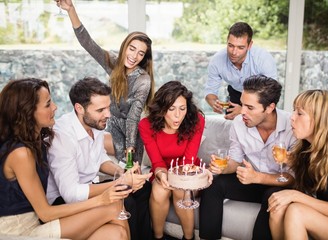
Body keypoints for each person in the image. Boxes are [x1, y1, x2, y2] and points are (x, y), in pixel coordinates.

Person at [0, 78, 129, 239]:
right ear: (27, 112)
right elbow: (45, 213)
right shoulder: (20, 153)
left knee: (116, 233)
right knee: (115, 207)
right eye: (47, 104)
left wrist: (123, 170)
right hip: (20, 230)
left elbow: (96, 152)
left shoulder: (37, 138)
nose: (55, 107)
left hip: (37, 220)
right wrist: (101, 200)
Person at [47, 77, 153, 240]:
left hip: (88, 188)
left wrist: (122, 172)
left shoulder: (94, 124)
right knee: (127, 199)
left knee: (143, 188)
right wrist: (121, 182)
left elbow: (99, 158)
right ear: (79, 108)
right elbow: (71, 193)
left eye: (108, 107)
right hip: (64, 201)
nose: (108, 114)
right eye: (100, 110)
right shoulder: (63, 137)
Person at [56, 0, 155, 163]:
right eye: (132, 49)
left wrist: (130, 146)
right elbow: (88, 44)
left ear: (144, 57)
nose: (134, 56)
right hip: (111, 125)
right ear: (125, 47)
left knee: (127, 167)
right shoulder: (114, 63)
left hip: (130, 132)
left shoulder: (143, 80)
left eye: (141, 53)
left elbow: (133, 116)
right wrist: (70, 10)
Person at [199, 75, 296, 240]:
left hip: (278, 184)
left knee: (272, 196)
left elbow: (291, 178)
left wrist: (257, 177)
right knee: (213, 185)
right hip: (251, 181)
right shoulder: (239, 123)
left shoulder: (292, 126)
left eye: (250, 107)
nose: (242, 111)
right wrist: (223, 167)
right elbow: (235, 162)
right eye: (242, 104)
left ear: (270, 107)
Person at [267, 90, 328, 240]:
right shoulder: (308, 149)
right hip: (326, 217)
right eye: (293, 111)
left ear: (320, 119)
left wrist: (294, 195)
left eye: (300, 113)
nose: (292, 117)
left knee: (296, 211)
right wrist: (292, 162)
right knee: (278, 207)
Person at [139, 81, 212, 240]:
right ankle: (157, 236)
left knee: (181, 189)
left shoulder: (197, 120)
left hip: (189, 169)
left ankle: (189, 237)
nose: (178, 115)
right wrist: (162, 176)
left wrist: (177, 179)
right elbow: (157, 162)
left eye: (182, 108)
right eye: (171, 109)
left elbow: (189, 159)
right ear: (162, 109)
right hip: (162, 170)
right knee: (159, 190)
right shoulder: (146, 125)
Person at [204, 22, 277, 120]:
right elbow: (210, 91)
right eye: (230, 46)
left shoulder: (263, 59)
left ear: (250, 45)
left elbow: (271, 95)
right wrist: (214, 103)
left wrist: (244, 109)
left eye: (240, 47)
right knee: (233, 123)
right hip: (235, 91)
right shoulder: (217, 61)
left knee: (259, 123)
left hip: (259, 96)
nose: (234, 52)